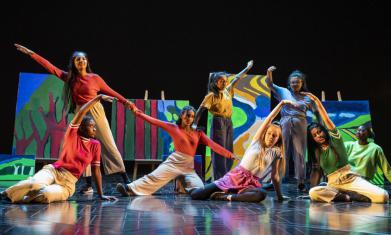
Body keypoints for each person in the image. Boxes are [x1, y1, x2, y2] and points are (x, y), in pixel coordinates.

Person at [14, 43, 135, 193]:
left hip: (96, 111)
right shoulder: (69, 78)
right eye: (78, 59)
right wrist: (31, 53)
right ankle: (89, 184)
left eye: (84, 59)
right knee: (82, 147)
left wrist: (127, 102)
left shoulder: (95, 78)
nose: (81, 61)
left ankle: (125, 179)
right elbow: (50, 67)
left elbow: (112, 92)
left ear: (87, 62)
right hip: (80, 113)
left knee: (109, 144)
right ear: (74, 63)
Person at [0, 95, 117, 203]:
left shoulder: (95, 145)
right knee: (34, 184)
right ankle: (5, 195)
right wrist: (98, 98)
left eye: (94, 126)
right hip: (54, 171)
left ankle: (25, 197)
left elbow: (96, 170)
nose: (95, 129)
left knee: (46, 195)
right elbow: (81, 112)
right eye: (91, 126)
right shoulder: (72, 134)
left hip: (68, 183)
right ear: (81, 127)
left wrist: (101, 195)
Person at [116, 106, 240, 196]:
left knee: (200, 188)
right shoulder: (174, 127)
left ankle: (189, 190)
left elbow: (213, 145)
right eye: (187, 115)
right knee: (153, 177)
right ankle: (128, 188)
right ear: (182, 115)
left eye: (192, 117)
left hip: (188, 167)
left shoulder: (198, 133)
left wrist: (229, 155)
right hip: (174, 163)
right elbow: (154, 121)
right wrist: (137, 113)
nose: (189, 118)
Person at [190, 100, 293, 202]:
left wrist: (280, 196)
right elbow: (269, 118)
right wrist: (281, 103)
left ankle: (227, 196)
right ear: (265, 134)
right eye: (269, 134)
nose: (271, 137)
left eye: (274, 136)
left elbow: (275, 175)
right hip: (235, 177)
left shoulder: (277, 152)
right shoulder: (256, 142)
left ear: (278, 139)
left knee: (261, 194)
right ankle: (224, 190)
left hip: (250, 184)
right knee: (196, 195)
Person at [304, 92, 389, 203]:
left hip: (350, 179)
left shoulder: (335, 140)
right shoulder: (317, 151)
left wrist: (318, 103)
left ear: (323, 131)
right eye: (315, 135)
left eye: (319, 132)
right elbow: (316, 172)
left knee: (383, 197)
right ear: (312, 139)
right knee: (313, 192)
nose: (319, 135)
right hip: (333, 184)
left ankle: (351, 194)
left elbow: (327, 120)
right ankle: (344, 197)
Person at [193, 60, 253, 180]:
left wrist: (247, 68)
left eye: (225, 81)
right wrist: (194, 124)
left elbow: (236, 78)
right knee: (219, 151)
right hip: (218, 122)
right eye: (221, 81)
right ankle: (219, 180)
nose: (224, 83)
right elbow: (201, 110)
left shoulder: (227, 90)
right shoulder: (211, 95)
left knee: (228, 150)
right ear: (215, 82)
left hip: (228, 122)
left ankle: (226, 177)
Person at [265, 67, 319, 191]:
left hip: (300, 123)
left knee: (299, 152)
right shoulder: (283, 91)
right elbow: (269, 84)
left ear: (302, 83)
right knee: (281, 150)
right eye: (293, 82)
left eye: (298, 82)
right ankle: (275, 179)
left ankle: (300, 181)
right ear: (289, 83)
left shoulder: (307, 97)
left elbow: (316, 111)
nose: (295, 84)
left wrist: (318, 126)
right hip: (285, 121)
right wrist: (269, 72)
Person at [346, 124, 391, 192]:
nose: (358, 132)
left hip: (363, 182)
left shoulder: (375, 148)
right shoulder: (349, 145)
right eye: (358, 130)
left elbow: (386, 169)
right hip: (348, 180)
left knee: (383, 196)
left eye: (362, 130)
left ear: (368, 134)